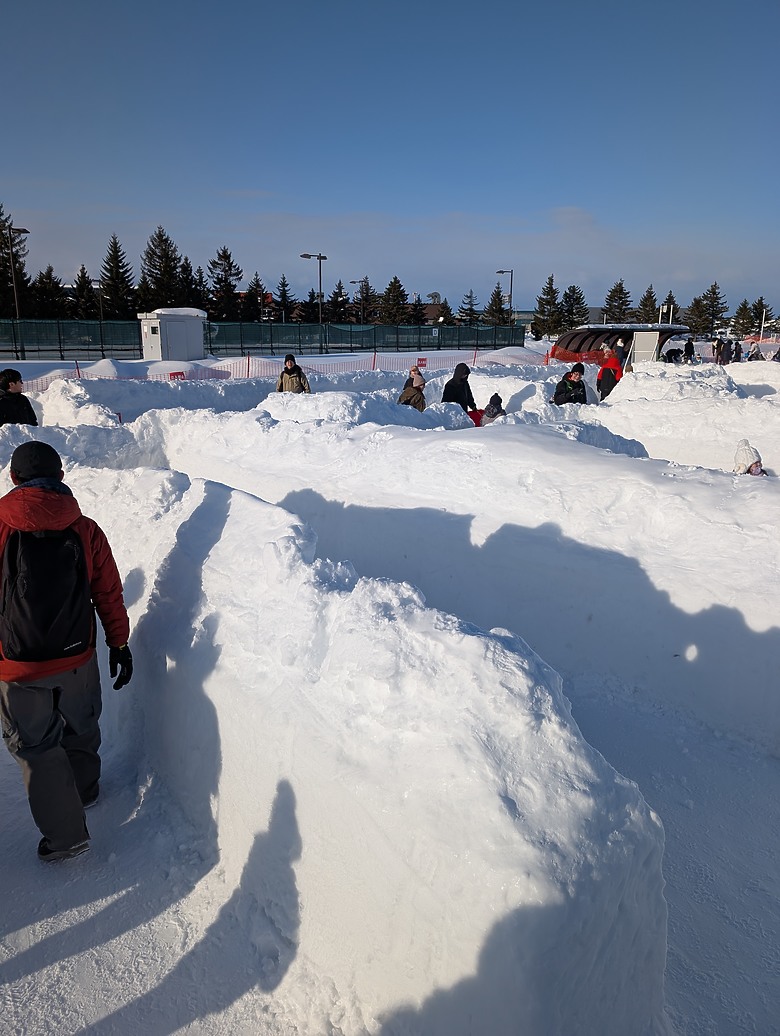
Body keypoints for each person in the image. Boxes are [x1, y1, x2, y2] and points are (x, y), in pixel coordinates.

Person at [0, 441, 132, 862]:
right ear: (60, 476)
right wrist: (119, 643)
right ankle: (85, 791)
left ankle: (66, 836)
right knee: (80, 726)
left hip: (17, 666)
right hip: (77, 656)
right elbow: (107, 591)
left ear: (14, 478)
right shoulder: (85, 528)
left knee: (37, 747)